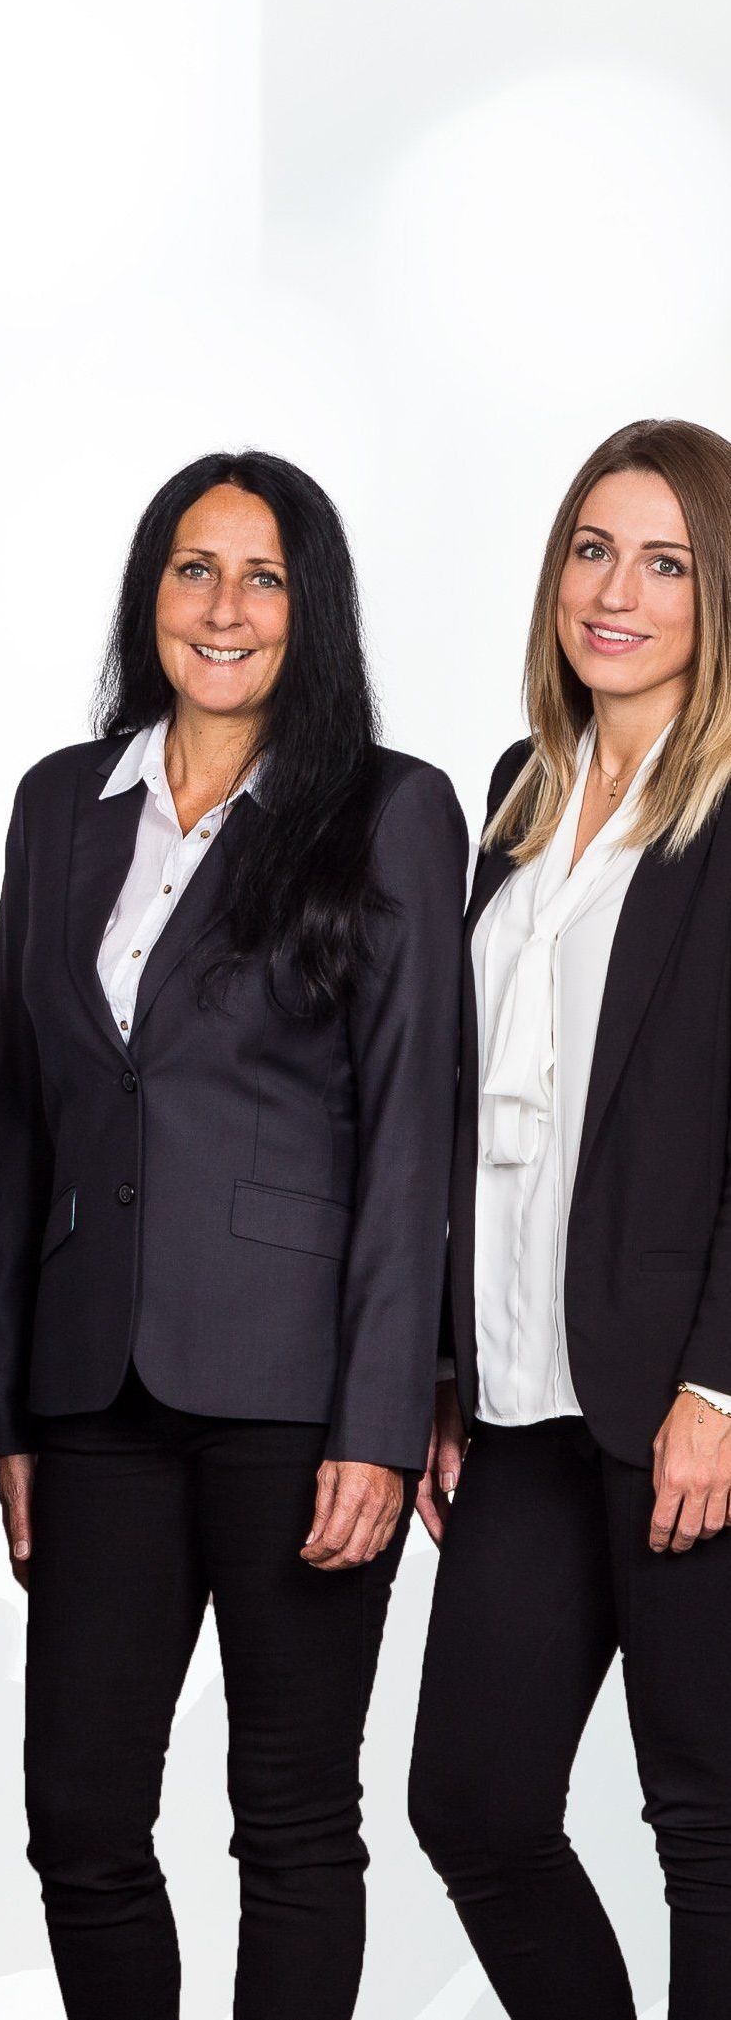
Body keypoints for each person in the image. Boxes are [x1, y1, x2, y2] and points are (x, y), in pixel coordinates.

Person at [0, 452, 466, 2018]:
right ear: (149, 591)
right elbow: (21, 1118)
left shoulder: (388, 810)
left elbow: (411, 1138)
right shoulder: (62, 803)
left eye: (262, 577)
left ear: (307, 610)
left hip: (295, 1397)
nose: (224, 607)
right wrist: (6, 1411)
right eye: (193, 568)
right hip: (91, 1393)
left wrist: (380, 1422)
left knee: (295, 1823)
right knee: (80, 1820)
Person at [407, 418, 731, 2019]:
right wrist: (450, 1374)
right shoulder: (520, 790)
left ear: (716, 594)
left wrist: (722, 1383)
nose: (615, 590)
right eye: (592, 550)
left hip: (681, 1398)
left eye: (663, 561)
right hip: (522, 1401)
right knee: (468, 1802)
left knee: (709, 1824)